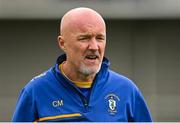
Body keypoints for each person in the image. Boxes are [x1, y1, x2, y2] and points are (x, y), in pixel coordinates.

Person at [12, 7, 152, 122]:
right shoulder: (35, 91)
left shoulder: (127, 90)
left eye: (100, 38)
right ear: (62, 43)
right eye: (84, 38)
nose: (94, 46)